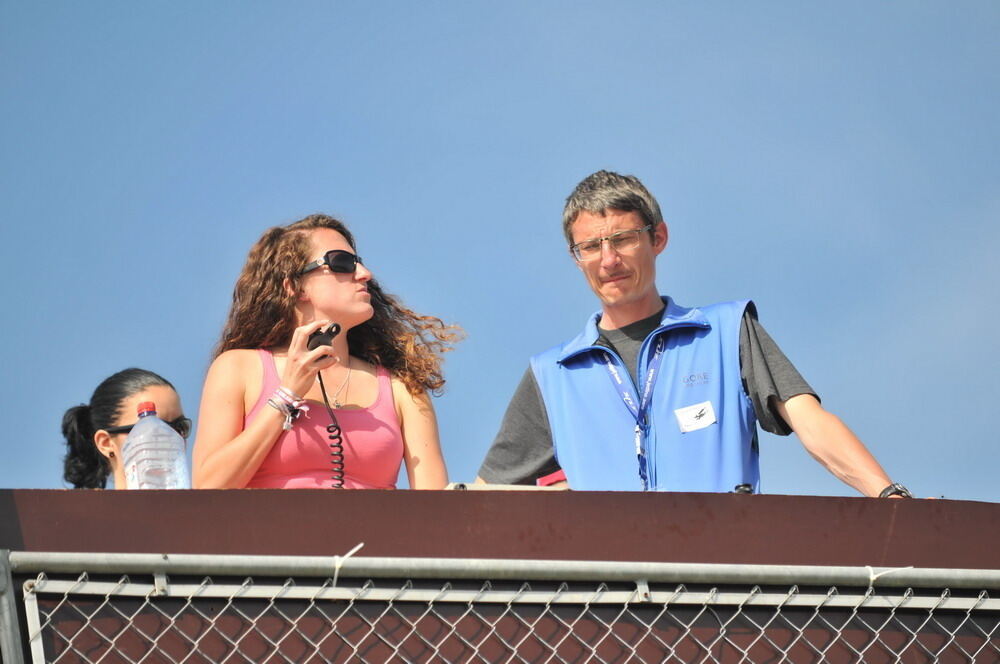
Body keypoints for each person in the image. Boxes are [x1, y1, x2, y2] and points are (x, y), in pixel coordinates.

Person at [478, 170, 911, 498]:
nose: (608, 260)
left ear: (658, 238)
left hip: (722, 585)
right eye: (591, 247)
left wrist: (889, 496)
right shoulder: (552, 374)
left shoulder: (724, 332)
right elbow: (486, 493)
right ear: (577, 258)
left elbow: (811, 422)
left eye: (623, 239)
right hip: (604, 597)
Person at [193, 213, 458, 490]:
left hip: (372, 535)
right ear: (295, 286)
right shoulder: (237, 368)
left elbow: (435, 508)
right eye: (341, 263)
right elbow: (208, 488)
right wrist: (286, 396)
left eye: (360, 263)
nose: (365, 274)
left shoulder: (402, 387)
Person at [62, 368, 191, 489]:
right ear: (105, 443)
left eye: (179, 427)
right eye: (152, 430)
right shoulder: (91, 513)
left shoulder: (201, 510)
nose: (171, 438)